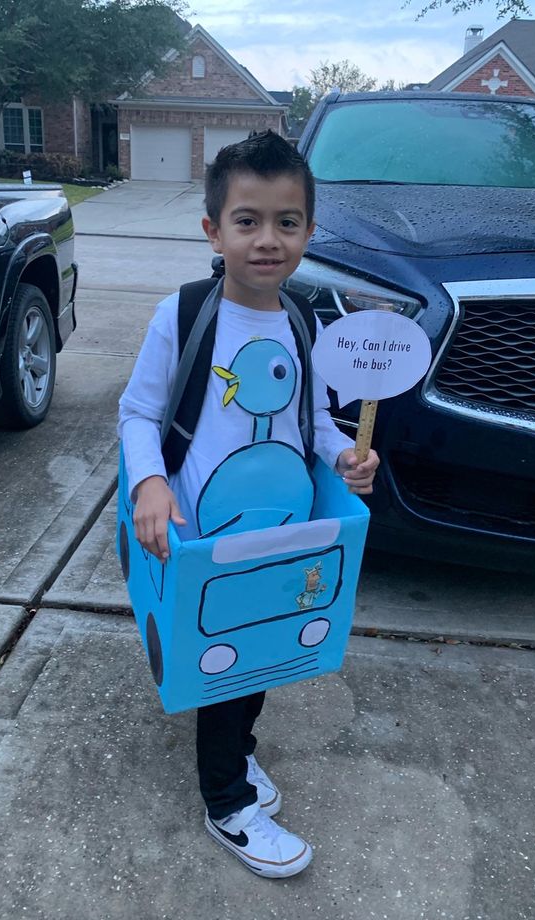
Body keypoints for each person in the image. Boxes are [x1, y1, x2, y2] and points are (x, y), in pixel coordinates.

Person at [118, 130, 380, 878]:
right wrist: (149, 483)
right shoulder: (186, 313)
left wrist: (344, 457)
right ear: (214, 229)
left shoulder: (305, 321)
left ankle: (239, 752)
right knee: (220, 669)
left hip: (288, 533)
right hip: (205, 534)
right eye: (248, 220)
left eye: (287, 221)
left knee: (260, 655)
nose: (268, 240)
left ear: (308, 230)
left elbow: (318, 422)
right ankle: (226, 800)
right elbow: (138, 412)